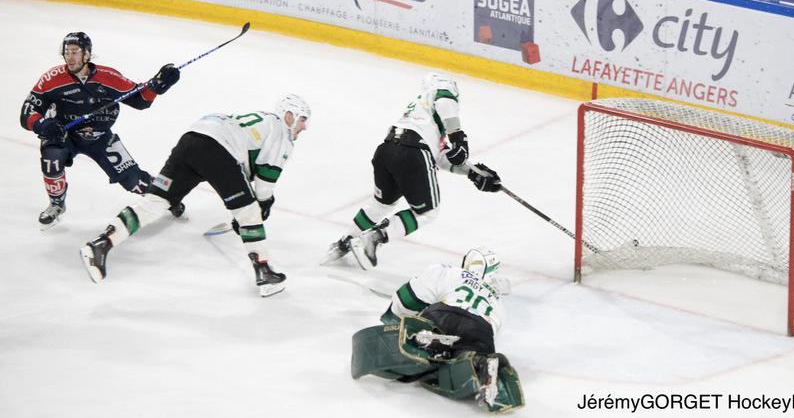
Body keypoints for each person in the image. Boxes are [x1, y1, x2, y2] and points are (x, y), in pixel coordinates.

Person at [79, 94, 311, 297]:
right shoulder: (282, 132)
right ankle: (264, 271)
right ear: (288, 115)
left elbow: (247, 165)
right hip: (218, 149)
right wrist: (263, 203)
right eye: (302, 120)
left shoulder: (263, 122)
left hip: (191, 140)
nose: (304, 127)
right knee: (248, 212)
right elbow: (264, 184)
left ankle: (101, 244)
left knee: (154, 202)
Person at [322, 71, 502, 269]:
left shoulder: (418, 114)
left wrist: (471, 172)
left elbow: (440, 157)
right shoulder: (440, 93)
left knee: (382, 204)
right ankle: (374, 237)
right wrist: (458, 137)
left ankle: (343, 243)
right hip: (412, 153)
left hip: (386, 150)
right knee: (427, 212)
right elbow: (444, 101)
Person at [20, 31, 181, 229]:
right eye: (67, 52)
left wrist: (157, 85)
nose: (70, 57)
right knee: (51, 157)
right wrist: (43, 125)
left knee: (134, 181)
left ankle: (167, 194)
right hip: (63, 135)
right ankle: (56, 204)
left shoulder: (108, 77)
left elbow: (139, 99)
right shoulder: (52, 78)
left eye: (75, 52)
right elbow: (27, 112)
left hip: (99, 136)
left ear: (87, 54)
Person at [350, 248, 523, 412]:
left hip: (444, 315)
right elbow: (494, 332)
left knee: (413, 364)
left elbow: (407, 299)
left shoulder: (450, 272)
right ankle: (480, 363)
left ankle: (428, 341)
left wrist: (396, 320)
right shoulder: (498, 302)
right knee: (462, 360)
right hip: (481, 332)